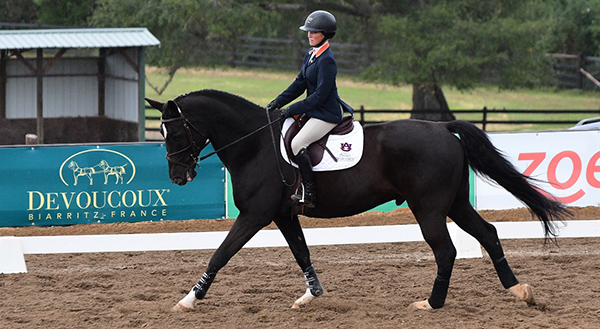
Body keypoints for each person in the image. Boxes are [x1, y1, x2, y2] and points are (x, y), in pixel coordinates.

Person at [266, 10, 353, 208]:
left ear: (325, 33)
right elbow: (299, 84)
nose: (309, 35)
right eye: (308, 31)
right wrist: (277, 102)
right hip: (314, 111)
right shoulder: (311, 55)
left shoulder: (327, 60)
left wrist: (292, 109)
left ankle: (310, 192)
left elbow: (320, 96)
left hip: (326, 114)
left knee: (297, 144)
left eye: (314, 32)